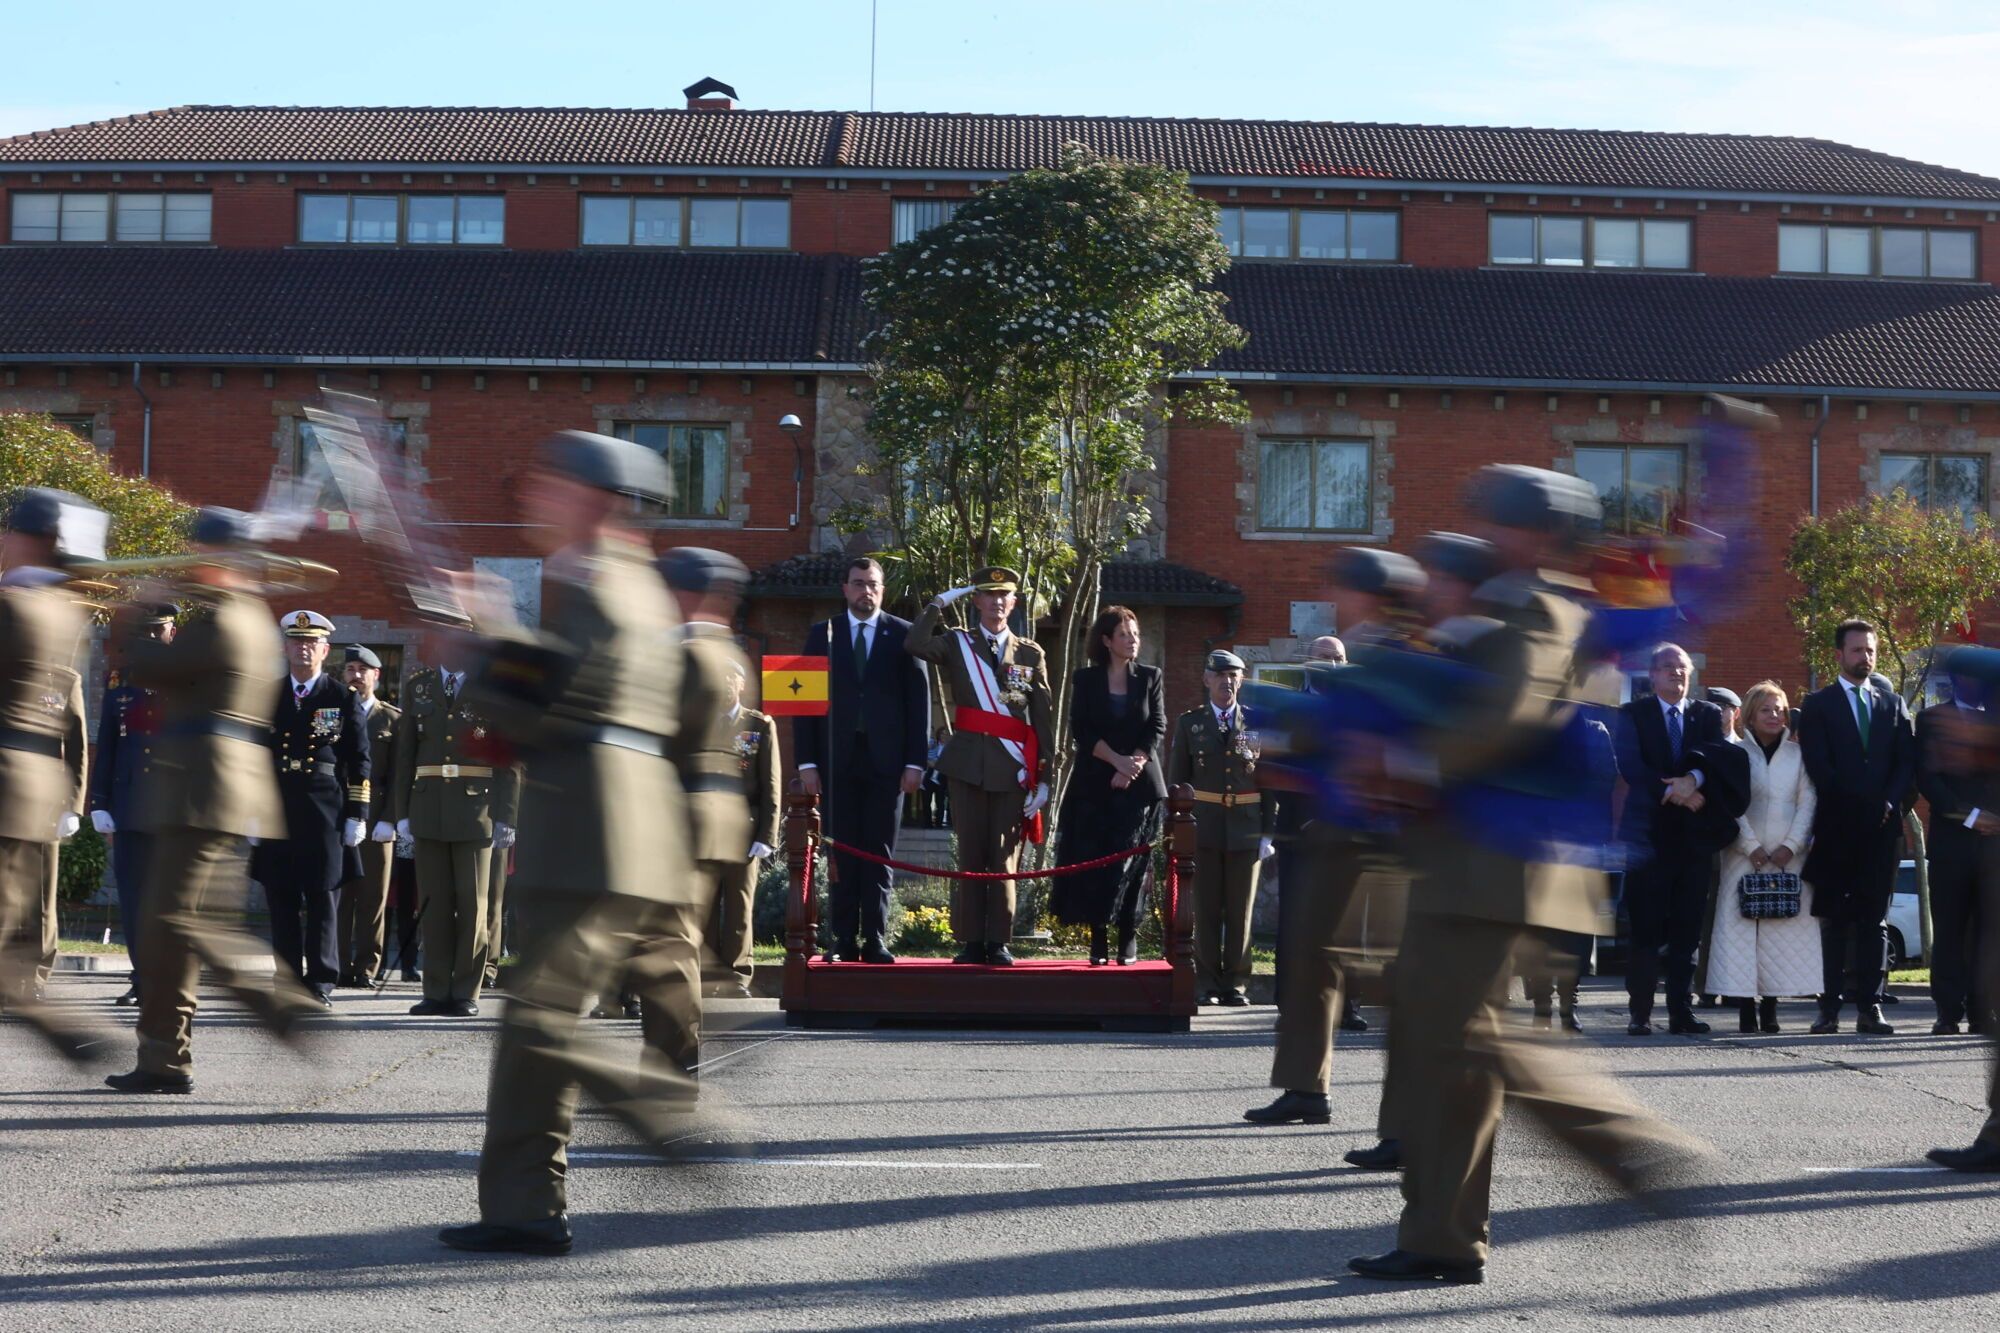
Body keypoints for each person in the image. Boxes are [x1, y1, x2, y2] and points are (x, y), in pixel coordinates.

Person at [1348, 465, 1706, 1285]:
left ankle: (1620, 1141)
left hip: (1497, 868)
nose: (1492, 534)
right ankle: (1440, 1233)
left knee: (1467, 1042)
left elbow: (1507, 713)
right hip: (1461, 860)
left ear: (1543, 534)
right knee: (1456, 1051)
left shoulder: (1542, 606)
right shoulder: (1500, 606)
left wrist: (1403, 755)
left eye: (1507, 522)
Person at [441, 430, 699, 1256]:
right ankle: (522, 1207)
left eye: (549, 484)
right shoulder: (631, 582)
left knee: (540, 1022)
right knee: (531, 1033)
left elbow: (554, 704)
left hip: (595, 827)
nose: (533, 497)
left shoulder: (601, 583)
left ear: (594, 498)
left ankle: (659, 1111)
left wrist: (480, 641)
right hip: (616, 824)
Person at [106, 508, 328, 1093]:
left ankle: (279, 1004)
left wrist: (136, 610)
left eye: (197, 550)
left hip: (203, 788)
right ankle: (162, 1059)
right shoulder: (250, 615)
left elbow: (149, 665)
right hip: (207, 785)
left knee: (176, 922)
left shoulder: (227, 619)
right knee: (169, 933)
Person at [1248, 549, 1422, 1126]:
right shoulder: (1370, 652)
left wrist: (1280, 716)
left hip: (1390, 837)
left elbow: (1377, 740)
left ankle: (1406, 1120)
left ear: (1368, 595)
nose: (1335, 600)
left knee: (1396, 975)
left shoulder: (1400, 654)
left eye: (1343, 589)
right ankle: (1305, 1087)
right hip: (1338, 830)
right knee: (1309, 960)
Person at [0, 488, 106, 1062]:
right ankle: (68, 1032)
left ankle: (68, 1029)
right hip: (29, 783)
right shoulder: (61, 607)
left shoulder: (15, 606)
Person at [906, 567, 1055, 966]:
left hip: (1011, 768)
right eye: (988, 595)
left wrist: (1044, 778)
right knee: (971, 855)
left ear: (1014, 603)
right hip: (968, 765)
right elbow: (915, 643)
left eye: (1004, 595)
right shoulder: (958, 644)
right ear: (976, 601)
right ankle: (971, 940)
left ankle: (998, 942)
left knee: (1004, 858)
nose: (996, 602)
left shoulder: (1029, 653)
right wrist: (940, 601)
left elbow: (1042, 717)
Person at [796, 557, 929, 964]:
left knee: (879, 853)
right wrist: (806, 764)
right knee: (842, 854)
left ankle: (874, 939)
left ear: (882, 590)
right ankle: (842, 939)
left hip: (887, 766)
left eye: (872, 584)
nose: (865, 591)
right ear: (845, 589)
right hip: (835, 766)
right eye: (858, 584)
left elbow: (919, 704)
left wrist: (915, 763)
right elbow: (803, 705)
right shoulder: (823, 635)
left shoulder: (904, 636)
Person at [652, 546, 753, 1067]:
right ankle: (674, 1053)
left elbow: (656, 737)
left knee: (669, 942)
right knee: (677, 937)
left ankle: (673, 1061)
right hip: (714, 813)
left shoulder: (684, 655)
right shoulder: (725, 652)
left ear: (683, 594)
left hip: (680, 812)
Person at [1614, 643, 1747, 1036]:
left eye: (1683, 667)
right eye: (1668, 667)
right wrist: (1673, 792)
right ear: (1652, 675)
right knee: (1645, 928)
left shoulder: (1706, 714)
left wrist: (1695, 780)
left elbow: (1716, 755)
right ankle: (1640, 1012)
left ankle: (1680, 1011)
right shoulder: (1633, 714)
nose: (1677, 673)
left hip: (1693, 840)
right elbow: (1631, 765)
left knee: (1687, 929)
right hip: (1648, 839)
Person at [1797, 619, 1916, 1035]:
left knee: (1874, 921)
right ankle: (1828, 1008)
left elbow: (1905, 765)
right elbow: (1819, 766)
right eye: (1857, 650)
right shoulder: (1817, 705)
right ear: (1838, 655)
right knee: (1833, 920)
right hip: (1836, 829)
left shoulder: (1893, 703)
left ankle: (1870, 1007)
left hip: (1881, 831)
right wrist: (1861, 806)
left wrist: (1888, 804)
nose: (1865, 657)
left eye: (1870, 651)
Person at [250, 609, 369, 1007]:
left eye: (311, 643)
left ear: (325, 649)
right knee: (280, 895)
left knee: (322, 896)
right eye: (296, 642)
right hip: (276, 804)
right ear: (285, 647)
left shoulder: (341, 696)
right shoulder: (267, 694)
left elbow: (359, 760)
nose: (303, 649)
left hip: (325, 806)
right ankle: (285, 980)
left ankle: (320, 980)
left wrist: (357, 815)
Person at [394, 642, 519, 1017]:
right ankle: (434, 990)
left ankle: (466, 991)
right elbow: (405, 754)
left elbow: (508, 758)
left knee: (472, 906)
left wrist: (506, 815)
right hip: (428, 807)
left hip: (476, 810)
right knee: (432, 905)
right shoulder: (419, 686)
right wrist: (402, 813)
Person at [1051, 605, 1165, 966]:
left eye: (1135, 634)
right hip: (1095, 784)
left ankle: (1127, 936)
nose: (1132, 641)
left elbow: (1157, 725)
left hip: (1139, 785)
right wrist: (1115, 761)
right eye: (1124, 635)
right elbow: (1081, 729)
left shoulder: (1150, 676)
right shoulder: (1085, 680)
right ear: (1106, 640)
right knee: (1096, 861)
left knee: (1130, 863)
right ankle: (1098, 937)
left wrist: (1132, 764)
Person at [1705, 681, 1820, 1033]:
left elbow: (1808, 803)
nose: (1775, 716)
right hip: (1742, 856)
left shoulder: (1799, 756)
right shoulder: (1735, 754)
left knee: (1779, 932)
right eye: (1767, 710)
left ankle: (1771, 1008)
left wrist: (1792, 845)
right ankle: (1744, 1008)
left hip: (1789, 857)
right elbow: (1731, 806)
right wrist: (1750, 846)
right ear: (1750, 716)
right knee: (1742, 932)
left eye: (1780, 709)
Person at [1167, 649, 1275, 1005]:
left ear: (1241, 680)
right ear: (1206, 679)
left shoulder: (1258, 721)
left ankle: (1237, 984)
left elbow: (1270, 781)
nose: (1227, 682)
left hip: (1246, 828)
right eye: (1221, 675)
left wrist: (1268, 832)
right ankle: (1209, 984)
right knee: (1207, 908)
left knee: (1242, 911)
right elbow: (1178, 783)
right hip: (1206, 826)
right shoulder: (1190, 724)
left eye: (1234, 676)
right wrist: (1177, 829)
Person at [90, 603, 175, 1007]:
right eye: (147, 634)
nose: (152, 640)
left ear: (171, 634)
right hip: (127, 807)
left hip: (170, 812)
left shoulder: (187, 684)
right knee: (134, 899)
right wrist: (99, 801)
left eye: (159, 633)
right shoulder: (120, 685)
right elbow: (107, 745)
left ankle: (165, 979)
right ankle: (142, 977)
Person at [1917, 664, 1993, 1035]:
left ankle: (1983, 1011)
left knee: (1987, 931)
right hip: (1952, 844)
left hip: (1994, 846)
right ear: (1957, 678)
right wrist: (1971, 816)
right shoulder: (1932, 720)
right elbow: (1928, 778)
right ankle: (1948, 1012)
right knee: (1949, 929)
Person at [705, 659, 781, 998]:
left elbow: (771, 785)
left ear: (741, 683)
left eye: (729, 678)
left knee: (739, 906)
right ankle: (706, 976)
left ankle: (736, 975)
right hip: (704, 828)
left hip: (743, 829)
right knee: (704, 906)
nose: (723, 684)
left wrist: (767, 835)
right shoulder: (699, 722)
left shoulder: (760, 725)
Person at [336, 645, 401, 988]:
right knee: (339, 894)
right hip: (337, 812)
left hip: (376, 817)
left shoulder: (392, 719)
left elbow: (399, 775)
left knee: (373, 896)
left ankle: (365, 967)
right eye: (350, 668)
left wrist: (390, 818)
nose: (356, 675)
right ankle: (338, 963)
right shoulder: (331, 713)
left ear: (376, 675)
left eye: (363, 669)